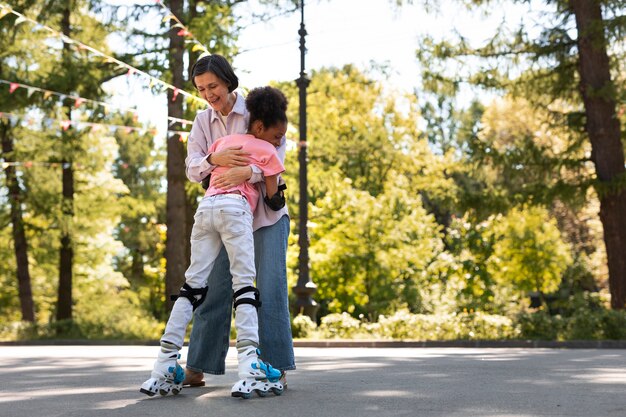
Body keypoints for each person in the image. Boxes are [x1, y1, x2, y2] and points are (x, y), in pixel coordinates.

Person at [140, 86, 289, 399]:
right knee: (245, 285)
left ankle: (164, 364)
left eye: (212, 86)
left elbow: (203, 173)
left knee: (193, 286)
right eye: (278, 136)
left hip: (206, 210)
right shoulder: (266, 148)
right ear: (261, 127)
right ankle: (250, 365)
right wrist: (264, 182)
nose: (280, 142)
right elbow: (274, 196)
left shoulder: (225, 140)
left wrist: (227, 165)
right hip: (236, 213)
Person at [182, 55, 295, 388]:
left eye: (213, 86)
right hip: (226, 213)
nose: (208, 93)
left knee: (269, 287)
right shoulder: (203, 121)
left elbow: (278, 154)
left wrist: (250, 171)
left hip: (264, 216)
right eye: (202, 88)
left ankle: (273, 366)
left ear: (228, 81)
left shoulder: (260, 109)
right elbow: (192, 169)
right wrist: (212, 159)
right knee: (213, 287)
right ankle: (199, 365)